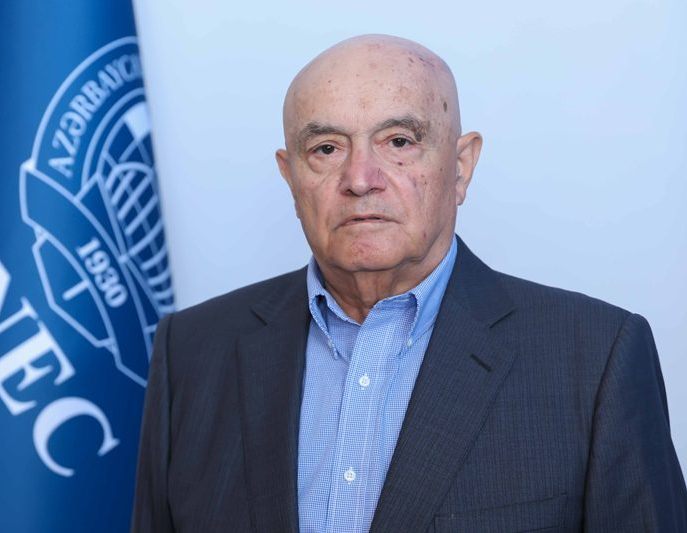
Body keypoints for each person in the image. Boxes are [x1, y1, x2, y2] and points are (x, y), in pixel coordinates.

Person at [131, 34, 687, 532]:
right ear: (290, 174)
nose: (360, 179)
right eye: (326, 149)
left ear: (461, 166)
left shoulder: (595, 359)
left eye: (398, 141)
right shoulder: (191, 352)